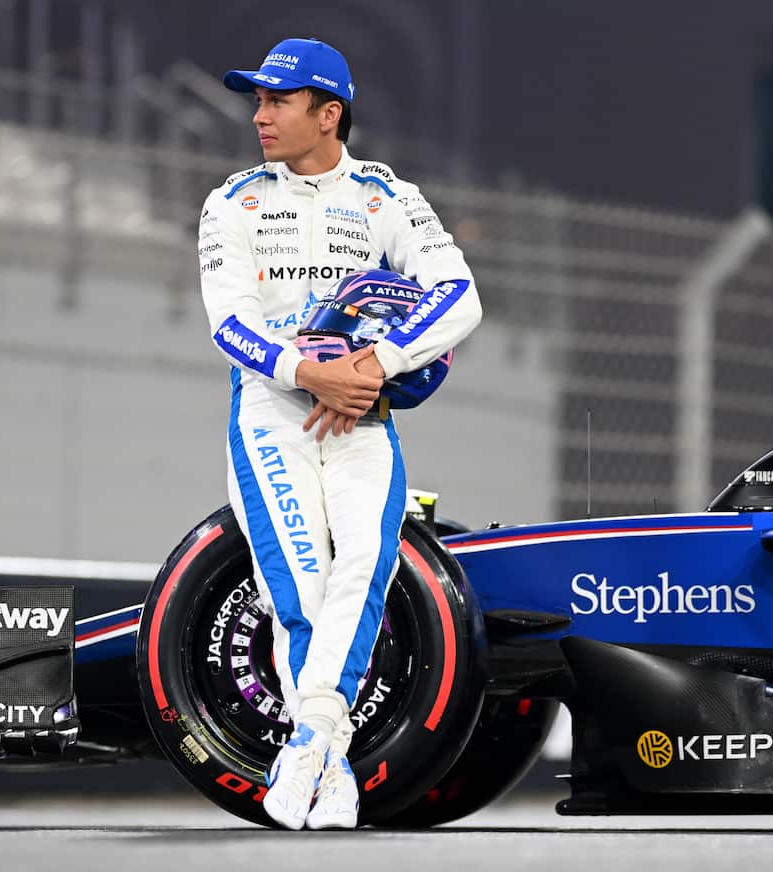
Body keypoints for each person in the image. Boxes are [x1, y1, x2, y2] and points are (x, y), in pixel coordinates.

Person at [197, 37, 481, 830]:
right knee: (300, 587)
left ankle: (308, 751)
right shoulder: (232, 200)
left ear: (330, 114)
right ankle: (328, 755)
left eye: (278, 101)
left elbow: (459, 296)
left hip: (365, 416)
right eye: (258, 101)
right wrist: (306, 372)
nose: (260, 116)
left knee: (361, 572)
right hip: (271, 414)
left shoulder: (387, 197)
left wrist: (373, 367)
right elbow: (228, 325)